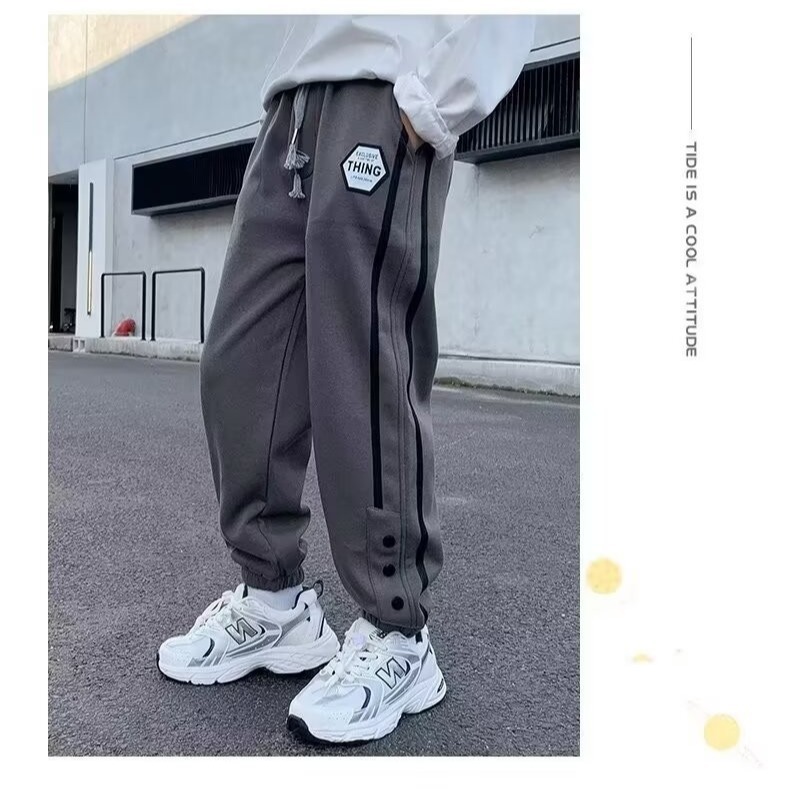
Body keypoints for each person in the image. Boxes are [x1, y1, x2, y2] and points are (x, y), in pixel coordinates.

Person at [157, 15, 537, 744]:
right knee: (240, 365)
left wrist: (435, 101)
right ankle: (274, 603)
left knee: (360, 377)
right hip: (292, 104)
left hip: (385, 93)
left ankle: (398, 635)